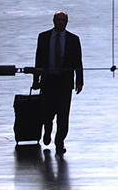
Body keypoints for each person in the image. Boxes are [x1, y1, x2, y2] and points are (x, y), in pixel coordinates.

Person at [33, 11, 83, 155]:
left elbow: (78, 61)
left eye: (63, 20)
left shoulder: (73, 40)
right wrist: (36, 79)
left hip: (64, 82)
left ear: (66, 22)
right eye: (58, 20)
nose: (61, 22)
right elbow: (39, 59)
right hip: (48, 81)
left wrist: (79, 81)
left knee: (63, 114)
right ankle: (47, 130)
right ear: (54, 21)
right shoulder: (43, 37)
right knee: (47, 112)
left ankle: (60, 141)